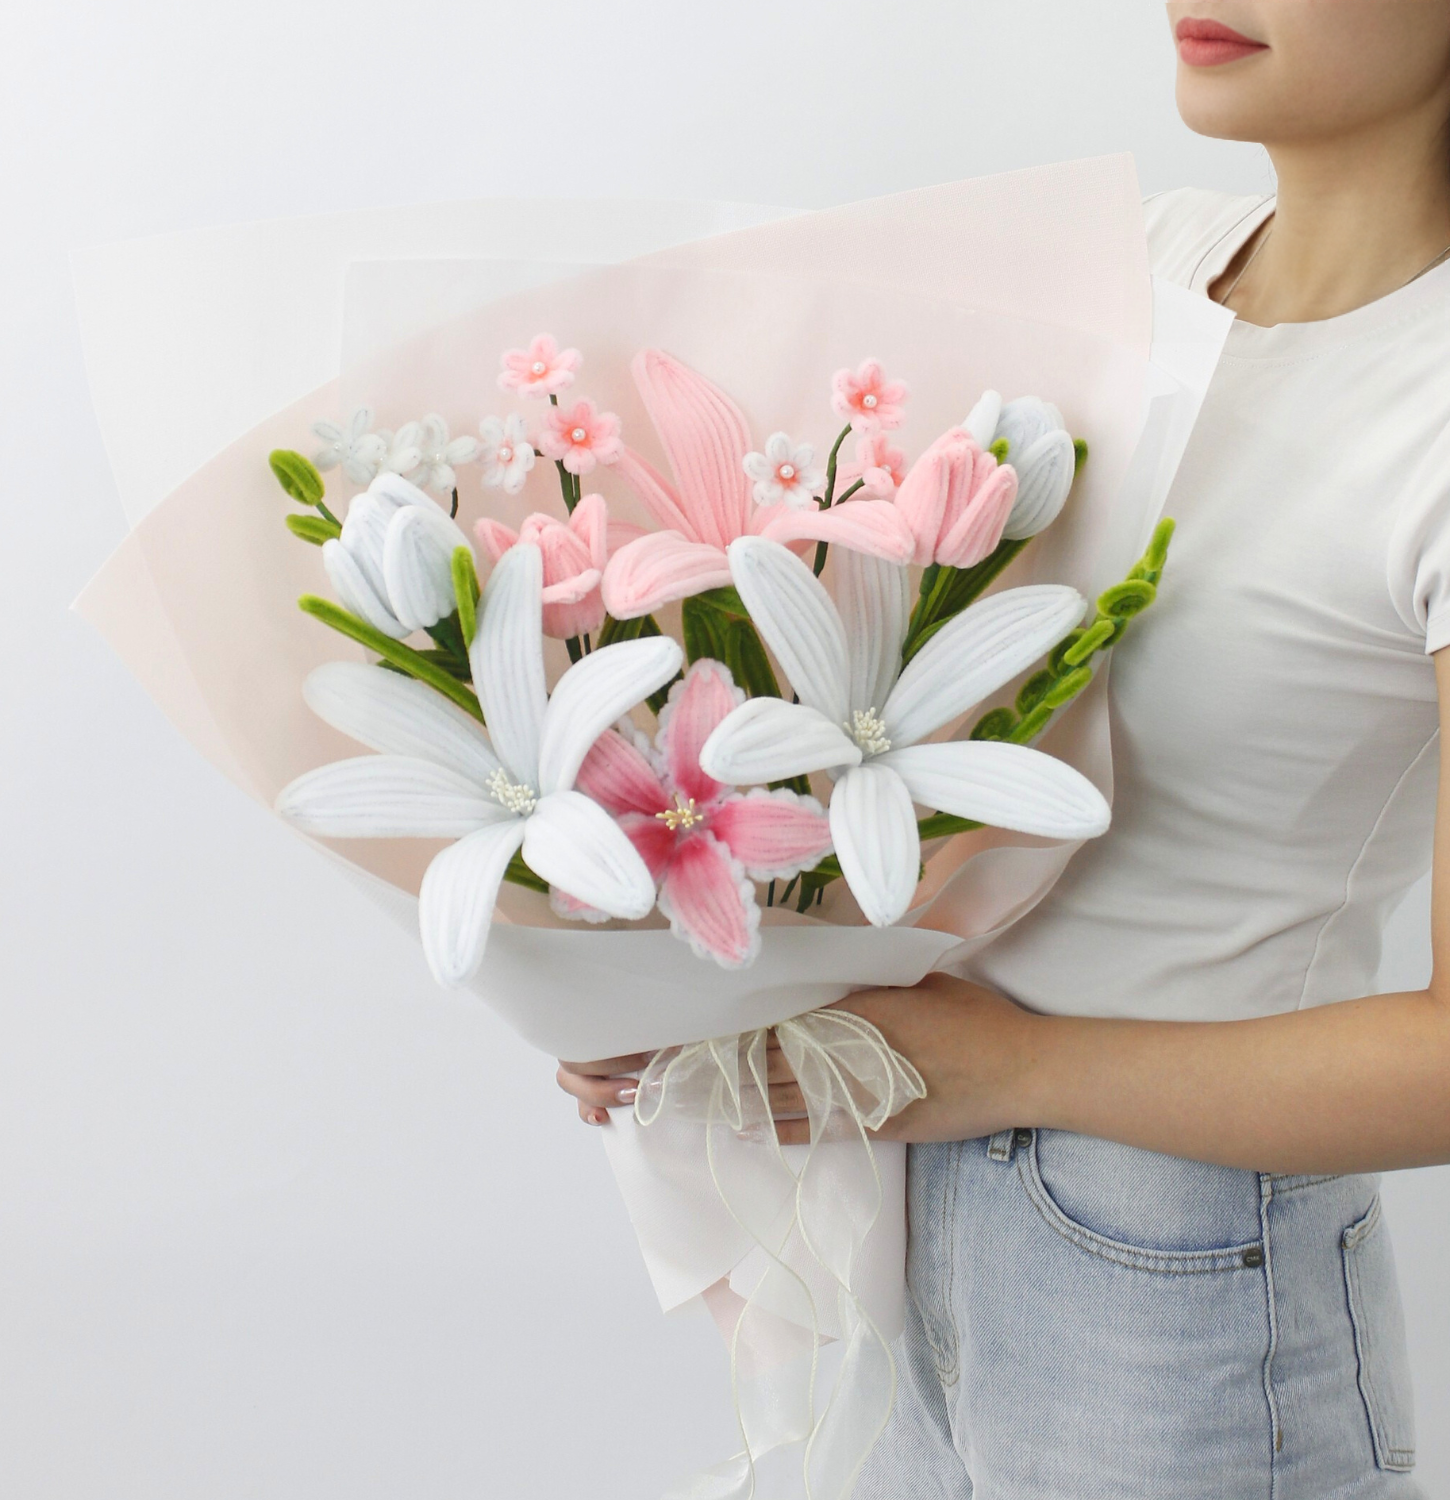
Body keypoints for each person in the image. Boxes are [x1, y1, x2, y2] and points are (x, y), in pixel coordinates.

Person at [557, 2, 1450, 1492]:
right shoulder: (1137, 268)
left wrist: (1022, 1068)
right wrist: (668, 973)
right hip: (896, 1200)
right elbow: (883, 703)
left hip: (1181, 1274)